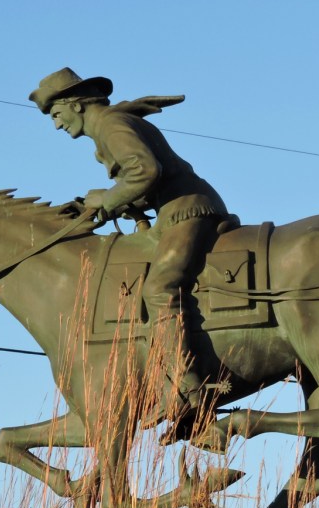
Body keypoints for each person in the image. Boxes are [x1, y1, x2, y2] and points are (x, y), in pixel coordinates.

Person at [29, 68, 232, 435]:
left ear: (75, 104)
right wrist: (99, 203)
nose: (56, 125)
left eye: (57, 114)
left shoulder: (110, 124)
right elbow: (143, 182)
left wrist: (108, 200)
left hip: (188, 211)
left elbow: (146, 170)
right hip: (172, 212)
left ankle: (188, 389)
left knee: (160, 288)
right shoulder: (108, 126)